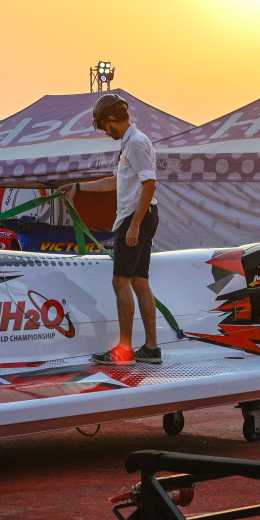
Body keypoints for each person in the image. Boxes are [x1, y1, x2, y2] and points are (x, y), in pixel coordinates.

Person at [60, 93, 161, 366]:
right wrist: (78, 188)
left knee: (120, 281)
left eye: (104, 126)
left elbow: (150, 184)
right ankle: (151, 348)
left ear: (113, 118)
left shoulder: (136, 143)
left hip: (136, 216)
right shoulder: (130, 144)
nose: (105, 132)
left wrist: (135, 224)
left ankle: (125, 351)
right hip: (141, 215)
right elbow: (115, 182)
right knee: (139, 282)